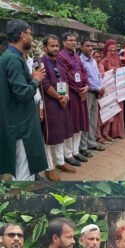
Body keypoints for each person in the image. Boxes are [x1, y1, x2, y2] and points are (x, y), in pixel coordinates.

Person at [0, 19, 47, 180]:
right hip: (20, 123)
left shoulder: (9, 56)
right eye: (30, 34)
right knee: (23, 168)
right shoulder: (13, 59)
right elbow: (22, 93)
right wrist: (36, 79)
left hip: (16, 120)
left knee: (20, 165)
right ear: (22, 35)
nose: (32, 38)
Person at [40, 34, 75, 180]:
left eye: (56, 46)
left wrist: (65, 96)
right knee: (49, 136)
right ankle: (49, 168)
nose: (55, 48)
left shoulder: (59, 62)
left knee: (61, 132)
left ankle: (60, 162)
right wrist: (59, 97)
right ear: (45, 47)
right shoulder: (41, 63)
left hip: (62, 103)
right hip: (50, 105)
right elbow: (44, 83)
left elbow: (64, 80)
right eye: (52, 46)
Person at [57, 32, 90, 167]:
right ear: (63, 42)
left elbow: (83, 71)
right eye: (70, 40)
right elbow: (64, 77)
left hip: (81, 93)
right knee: (70, 124)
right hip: (71, 95)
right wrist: (78, 90)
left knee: (80, 123)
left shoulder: (76, 56)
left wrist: (86, 86)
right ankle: (68, 154)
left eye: (74, 40)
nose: (73, 42)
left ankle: (75, 151)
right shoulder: (61, 56)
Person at [79, 39, 105, 156]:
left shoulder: (93, 61)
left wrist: (101, 87)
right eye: (87, 46)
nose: (90, 48)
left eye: (91, 46)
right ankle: (83, 146)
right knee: (85, 119)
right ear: (81, 47)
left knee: (93, 118)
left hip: (96, 93)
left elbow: (98, 76)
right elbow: (86, 79)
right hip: (88, 92)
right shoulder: (80, 61)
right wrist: (97, 88)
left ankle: (91, 142)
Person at [100, 39, 125, 139]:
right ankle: (108, 133)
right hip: (109, 92)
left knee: (119, 109)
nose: (113, 52)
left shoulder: (118, 60)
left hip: (118, 89)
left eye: (115, 50)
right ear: (106, 51)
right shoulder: (104, 61)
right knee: (110, 111)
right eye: (111, 50)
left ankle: (118, 131)